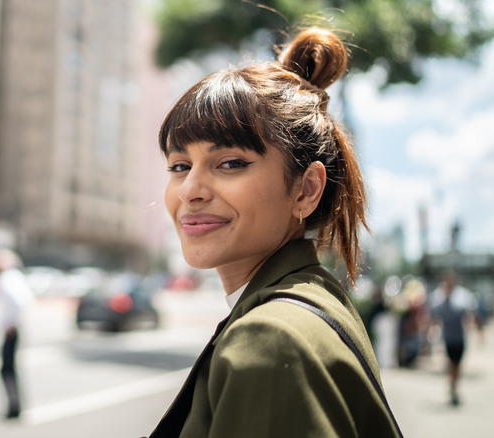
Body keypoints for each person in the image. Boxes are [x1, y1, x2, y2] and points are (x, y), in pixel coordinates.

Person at [148, 27, 401, 437]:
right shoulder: (314, 295)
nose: (191, 190)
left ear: (306, 189)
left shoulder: (270, 339)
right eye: (179, 166)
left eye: (230, 163)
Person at [0, 248, 34, 419]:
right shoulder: (15, 276)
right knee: (9, 367)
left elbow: (20, 301)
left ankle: (14, 407)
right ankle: (16, 405)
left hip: (12, 329)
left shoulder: (8, 277)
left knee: (7, 368)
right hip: (14, 327)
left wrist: (11, 324)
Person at [430, 270, 483, 406]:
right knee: (452, 363)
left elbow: (472, 313)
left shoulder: (462, 296)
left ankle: (453, 385)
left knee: (457, 364)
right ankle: (453, 387)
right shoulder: (439, 296)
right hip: (448, 338)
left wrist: (479, 332)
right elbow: (434, 314)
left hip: (460, 337)